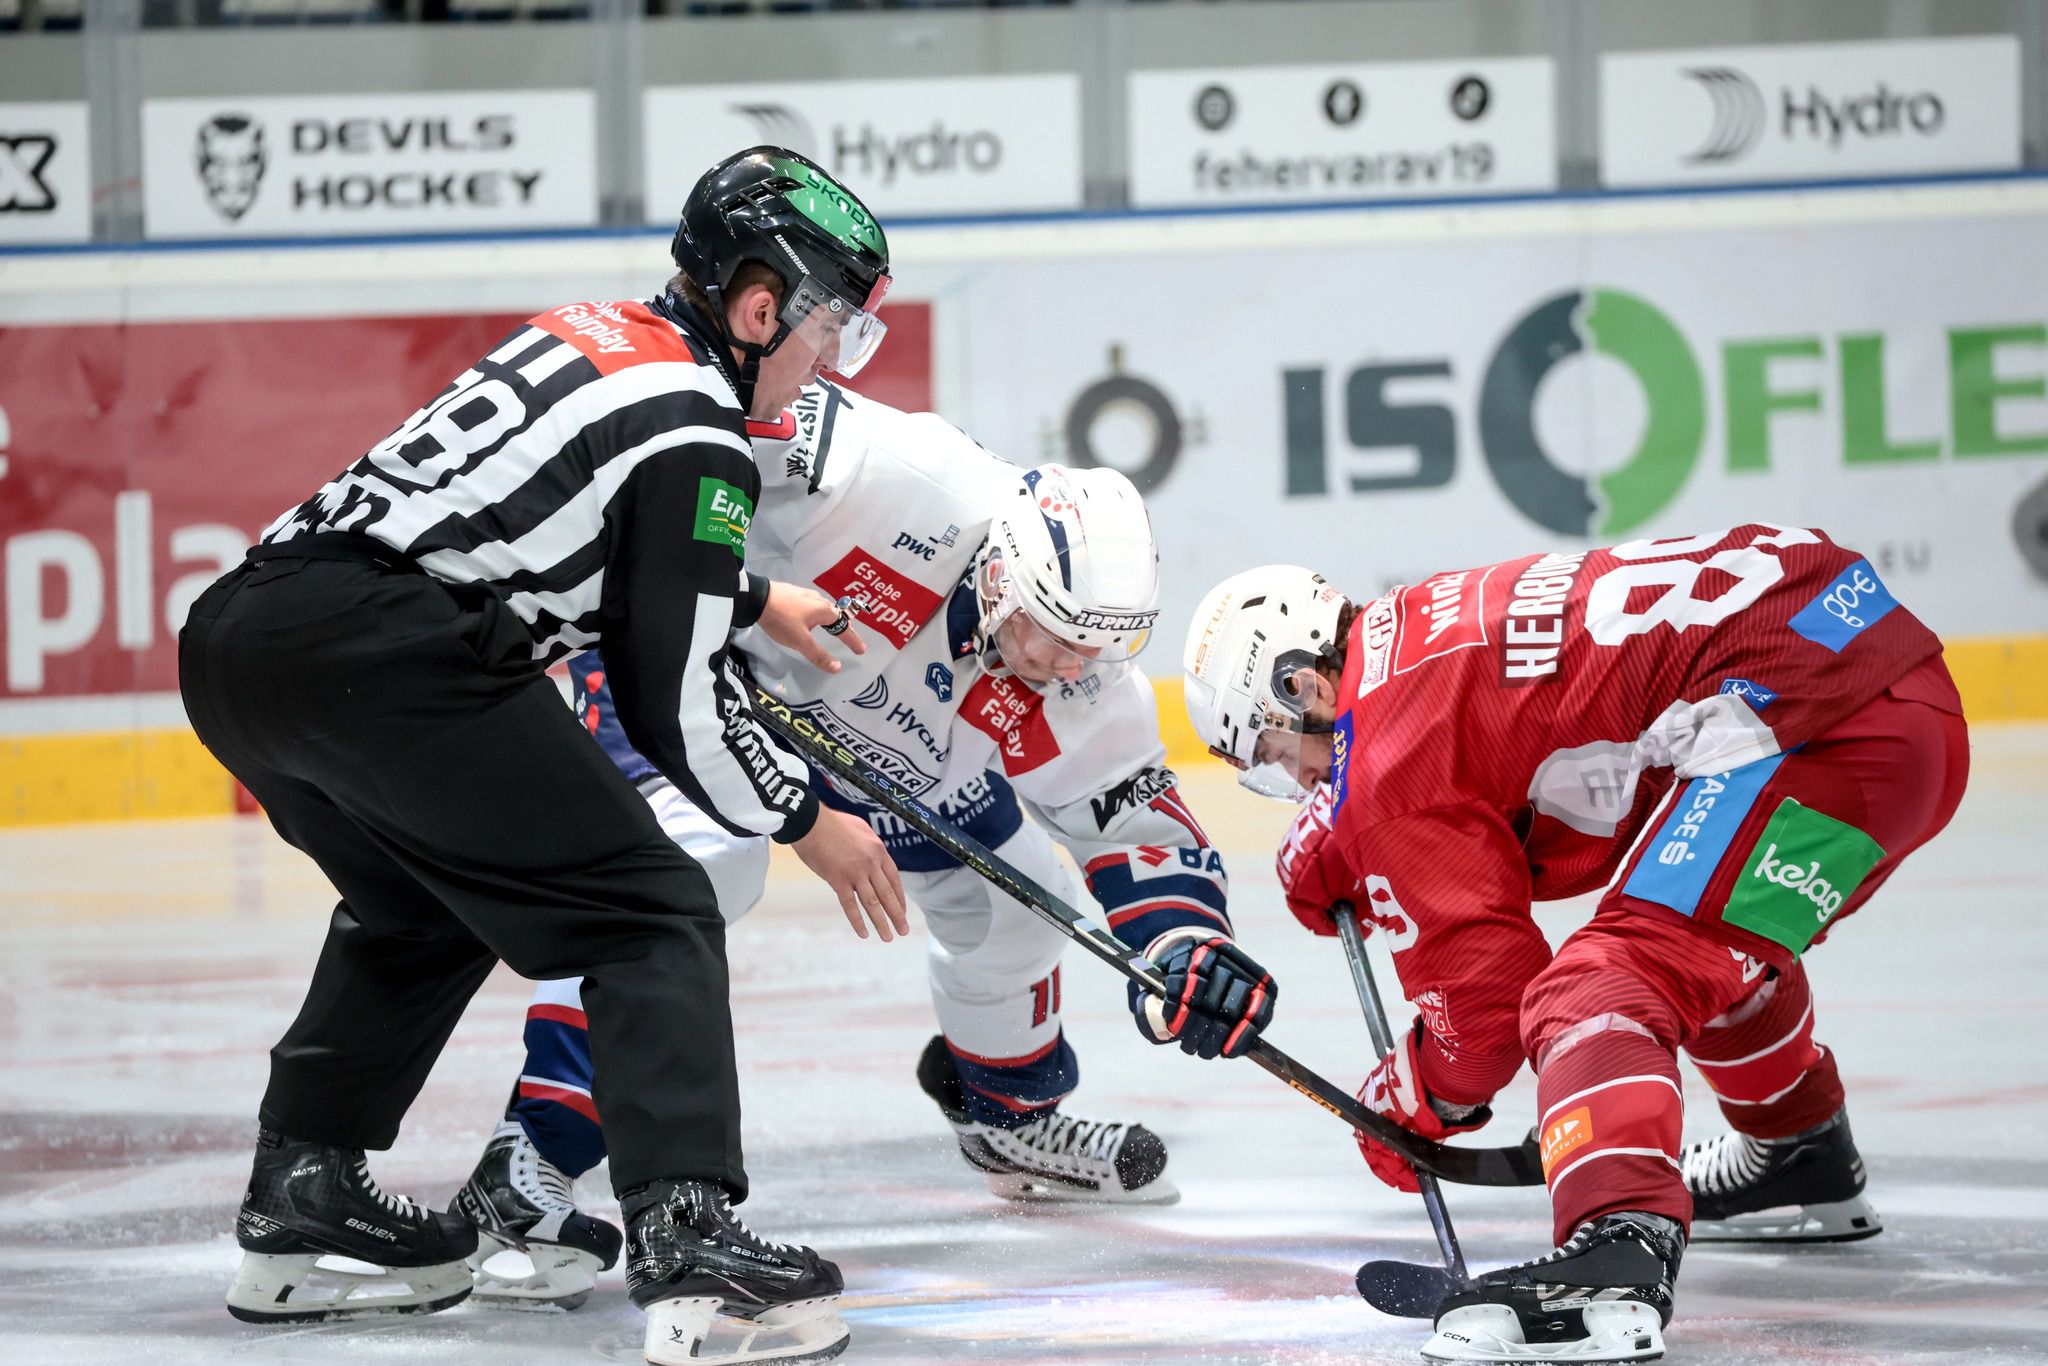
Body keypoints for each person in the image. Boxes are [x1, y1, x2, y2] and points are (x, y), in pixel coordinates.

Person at [179, 147, 911, 1365]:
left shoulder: (598, 334)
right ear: (757, 304)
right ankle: (689, 1240)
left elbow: (568, 527)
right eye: (828, 324)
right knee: (652, 909)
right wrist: (804, 819)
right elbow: (667, 699)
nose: (830, 359)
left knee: (419, 909)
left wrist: (749, 594)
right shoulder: (700, 433)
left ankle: (301, 1200)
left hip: (245, 638)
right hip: (394, 655)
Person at [453, 383, 1281, 1308]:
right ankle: (529, 1164)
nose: (1075, 668)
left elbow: (1135, 826)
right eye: (1059, 637)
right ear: (1003, 575)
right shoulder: (884, 473)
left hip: (890, 748)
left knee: (1014, 913)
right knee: (681, 884)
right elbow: (689, 443)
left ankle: (1004, 1122)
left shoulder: (1084, 679)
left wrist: (1189, 949)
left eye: (1104, 646)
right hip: (704, 686)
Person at [1179, 526, 1968, 1364]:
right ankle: (1795, 1151)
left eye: (1270, 753)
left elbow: (1484, 1014)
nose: (1297, 783)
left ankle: (1615, 1262)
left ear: (1299, 682)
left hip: (1828, 730)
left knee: (1598, 985)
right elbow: (1536, 777)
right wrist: (1357, 834)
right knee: (1689, 941)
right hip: (1880, 699)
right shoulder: (1414, 632)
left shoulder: (1384, 756)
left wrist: (1414, 1094)